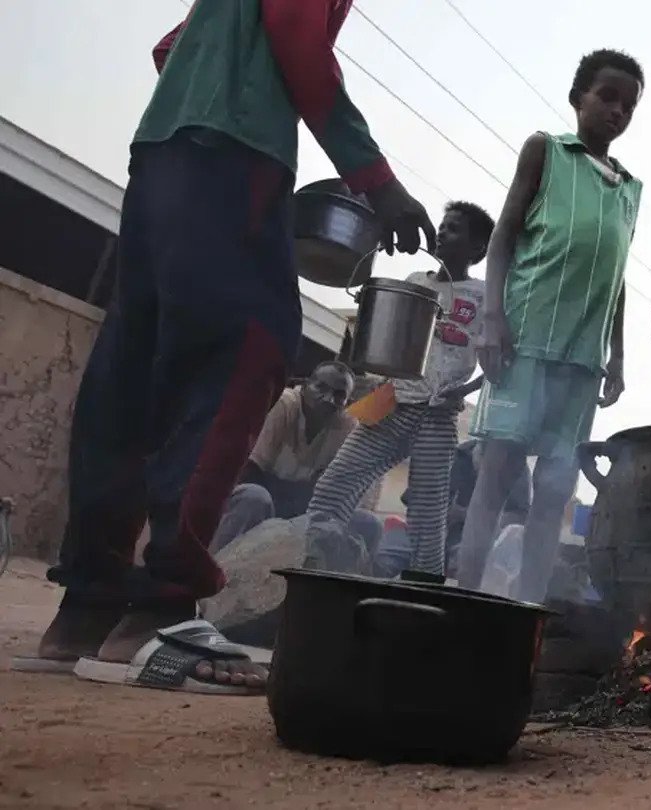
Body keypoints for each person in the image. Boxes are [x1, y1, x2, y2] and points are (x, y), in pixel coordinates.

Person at [25, 0, 432, 694]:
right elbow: (298, 39)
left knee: (135, 366)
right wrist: (377, 181)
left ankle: (87, 607)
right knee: (246, 350)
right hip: (235, 160)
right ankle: (165, 606)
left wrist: (219, 86)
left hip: (162, 154)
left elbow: (172, 47)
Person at [455, 49, 643, 604]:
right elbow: (504, 235)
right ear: (577, 97)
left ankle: (528, 610)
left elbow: (618, 274)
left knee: (557, 486)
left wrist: (620, 354)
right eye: (607, 96)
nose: (618, 110)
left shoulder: (630, 188)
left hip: (583, 361)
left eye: (629, 104)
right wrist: (491, 319)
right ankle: (465, 599)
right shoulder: (546, 151)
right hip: (524, 342)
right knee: (497, 472)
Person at [303, 201, 493, 578]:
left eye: (454, 229)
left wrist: (466, 389)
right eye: (442, 226)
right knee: (337, 482)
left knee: (427, 509)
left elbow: (498, 359)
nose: (441, 233)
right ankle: (314, 558)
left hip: (439, 412)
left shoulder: (483, 295)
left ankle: (423, 582)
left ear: (476, 249)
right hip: (393, 400)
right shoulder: (415, 283)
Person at [210, 361, 380, 555]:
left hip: (304, 512)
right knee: (255, 497)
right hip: (263, 501)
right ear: (305, 386)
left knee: (367, 523)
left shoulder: (346, 425)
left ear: (347, 402)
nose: (328, 399)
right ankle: (215, 568)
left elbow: (333, 493)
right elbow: (250, 473)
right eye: (321, 388)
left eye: (339, 395)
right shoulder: (284, 405)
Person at [372, 438, 531, 579]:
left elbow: (519, 518)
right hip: (424, 532)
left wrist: (468, 517)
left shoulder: (517, 469)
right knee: (387, 554)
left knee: (465, 562)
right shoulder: (452, 456)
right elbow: (414, 501)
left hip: (472, 543)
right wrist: (438, 513)